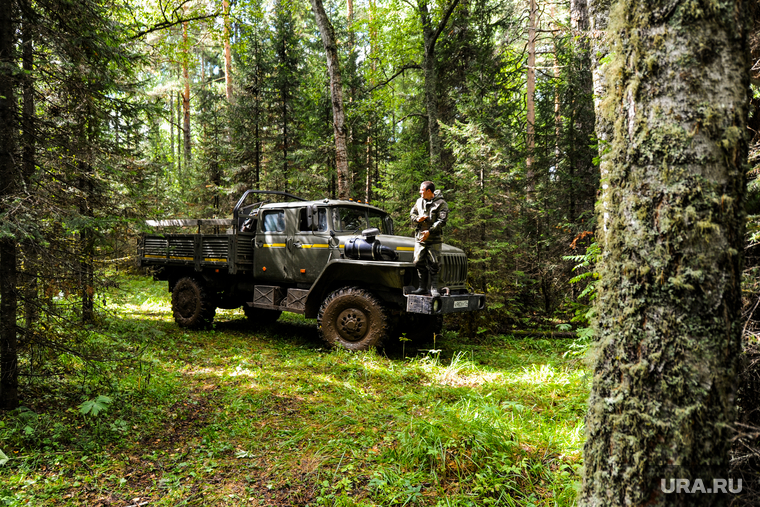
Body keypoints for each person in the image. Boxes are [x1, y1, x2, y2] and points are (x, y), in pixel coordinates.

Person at [409, 181, 449, 297]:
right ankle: (422, 287)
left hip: (434, 238)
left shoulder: (441, 203)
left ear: (428, 191)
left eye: (422, 190)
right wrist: (418, 219)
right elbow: (412, 215)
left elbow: (442, 221)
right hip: (420, 238)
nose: (420, 192)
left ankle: (434, 289)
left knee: (434, 263)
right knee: (418, 261)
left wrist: (430, 231)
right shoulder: (419, 201)